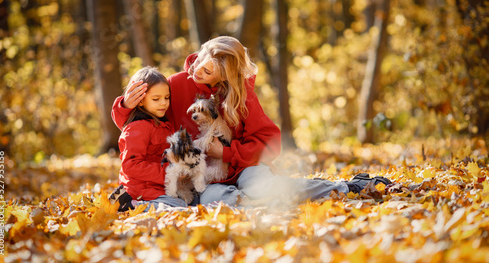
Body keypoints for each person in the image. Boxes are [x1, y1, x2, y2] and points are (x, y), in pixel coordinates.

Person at [112, 36, 390, 208]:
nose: (197, 72)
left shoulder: (240, 97)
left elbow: (270, 143)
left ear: (224, 77)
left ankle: (348, 187)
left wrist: (227, 153)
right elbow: (141, 122)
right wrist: (125, 105)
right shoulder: (174, 84)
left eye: (208, 73)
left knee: (263, 188)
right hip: (203, 179)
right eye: (200, 64)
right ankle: (264, 206)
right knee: (217, 201)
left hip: (241, 168)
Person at [111, 66, 190, 212]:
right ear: (140, 101)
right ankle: (130, 205)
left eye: (167, 98)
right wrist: (169, 173)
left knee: (188, 201)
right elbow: (131, 165)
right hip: (142, 190)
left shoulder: (164, 124)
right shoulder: (137, 128)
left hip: (159, 187)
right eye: (156, 99)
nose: (163, 103)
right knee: (180, 207)